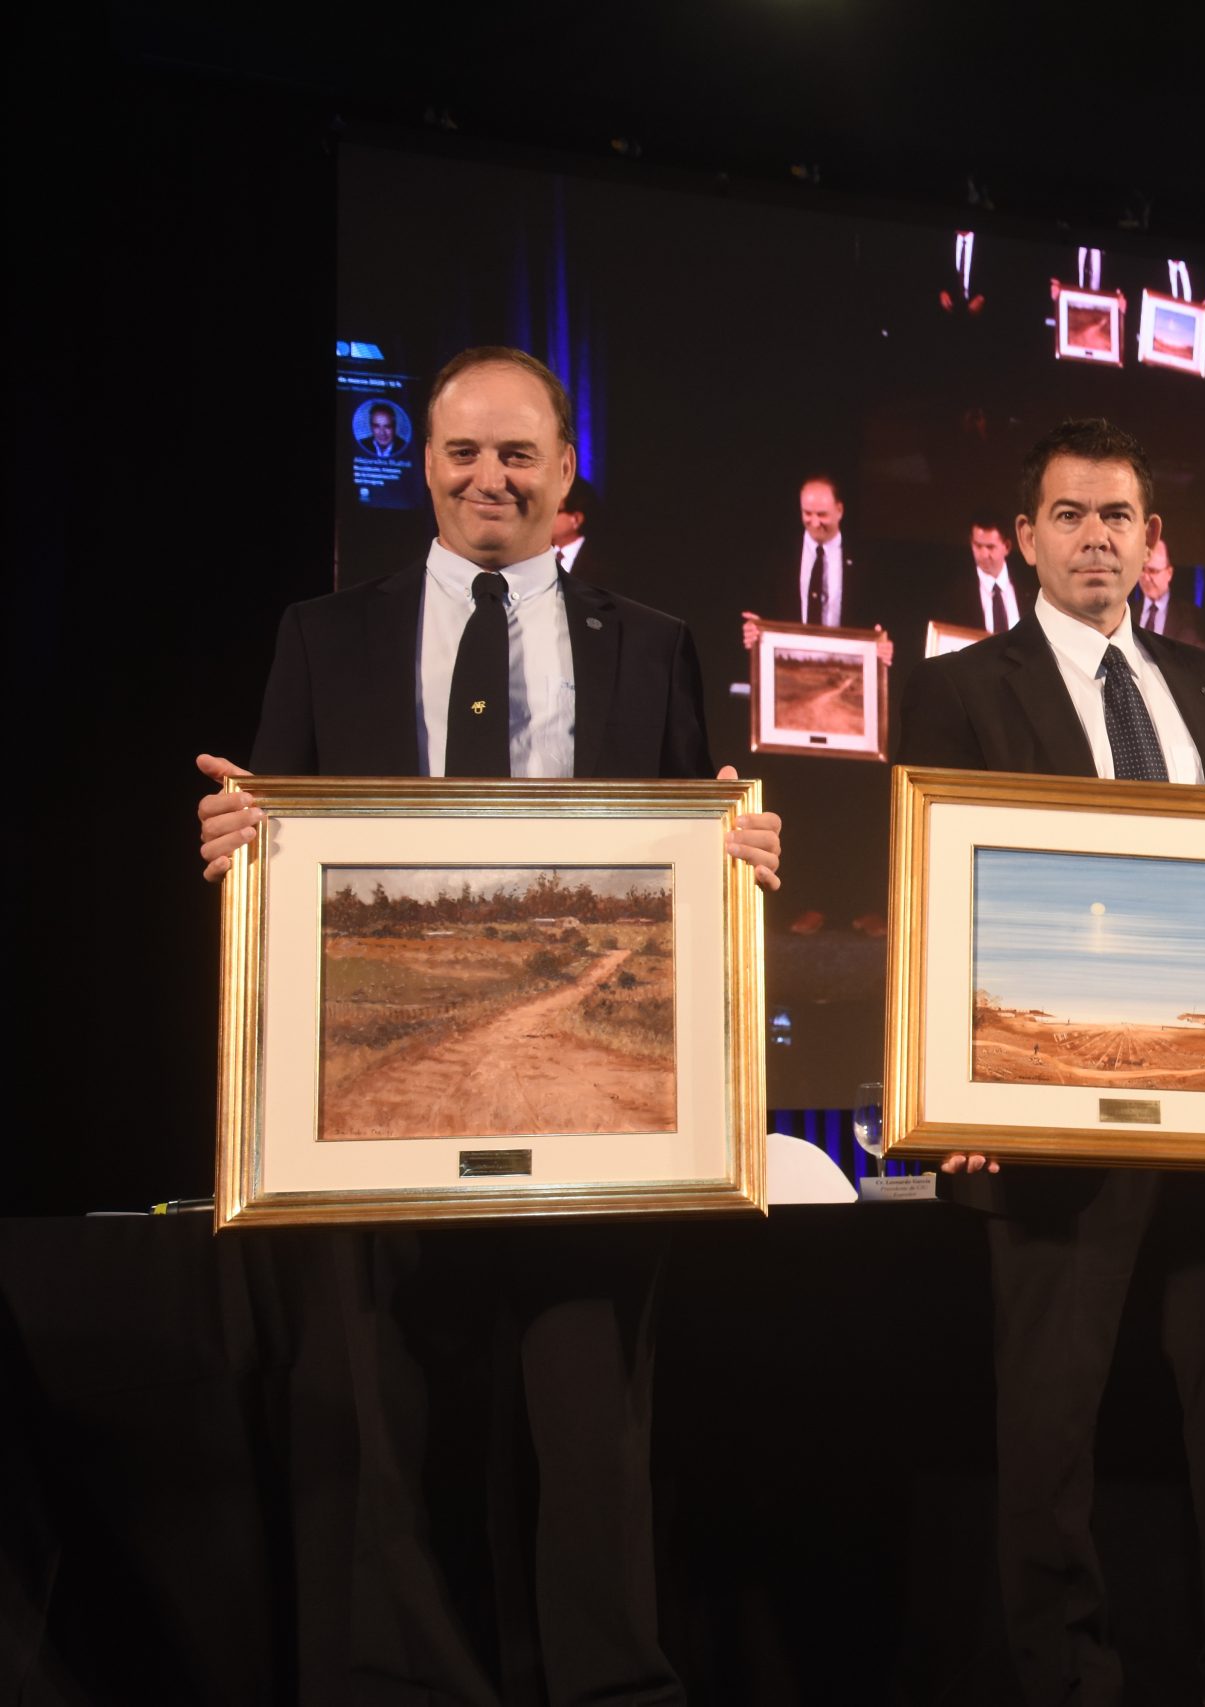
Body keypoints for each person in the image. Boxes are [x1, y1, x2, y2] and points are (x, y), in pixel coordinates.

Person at [195, 346, 782, 1707]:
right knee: (399, 1450)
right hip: (373, 1133)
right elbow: (279, 847)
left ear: (565, 470)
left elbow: (682, 860)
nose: (490, 478)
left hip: (597, 1140)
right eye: (463, 451)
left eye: (519, 453)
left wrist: (734, 851)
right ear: (424, 466)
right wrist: (239, 842)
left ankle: (612, 1691)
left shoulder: (652, 643)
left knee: (593, 1443)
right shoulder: (323, 635)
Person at [896, 419, 1205, 1707]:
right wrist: (949, 1087)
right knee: (1050, 1430)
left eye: (1117, 516)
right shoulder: (960, 687)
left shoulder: (1202, 683)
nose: (1094, 537)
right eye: (1069, 514)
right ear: (1025, 538)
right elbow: (931, 893)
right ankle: (1067, 1683)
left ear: (1152, 541)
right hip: (1040, 1115)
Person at [741, 473, 889, 661]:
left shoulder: (864, 561)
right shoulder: (780, 557)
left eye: (822, 514)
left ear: (840, 510)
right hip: (789, 665)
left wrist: (881, 641)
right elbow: (764, 615)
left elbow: (879, 621)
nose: (815, 522)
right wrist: (755, 629)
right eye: (807, 513)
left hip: (845, 668)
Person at [940, 512, 1034, 636]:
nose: (984, 555)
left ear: (1007, 546)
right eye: (978, 546)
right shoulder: (955, 596)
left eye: (990, 547)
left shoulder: (1031, 585)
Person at [1131, 536, 1205, 646]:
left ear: (1169, 573)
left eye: (1153, 571)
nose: (1146, 578)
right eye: (1143, 569)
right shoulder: (1127, 613)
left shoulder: (1191, 618)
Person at [553, 474, 599, 581]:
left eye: (553, 512)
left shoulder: (602, 564)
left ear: (576, 519)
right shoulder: (533, 557)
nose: (543, 517)